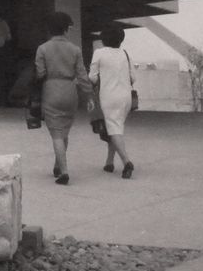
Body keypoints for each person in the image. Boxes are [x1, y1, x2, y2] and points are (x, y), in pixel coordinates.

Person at [33, 11, 93, 185]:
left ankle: (64, 172)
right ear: (66, 29)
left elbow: (40, 73)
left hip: (51, 90)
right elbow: (82, 75)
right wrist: (89, 95)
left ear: (49, 30)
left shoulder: (42, 48)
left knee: (56, 134)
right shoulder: (75, 50)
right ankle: (58, 165)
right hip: (70, 91)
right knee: (64, 132)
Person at [89, 24, 136, 179]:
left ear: (103, 39)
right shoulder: (125, 53)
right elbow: (133, 78)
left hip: (108, 97)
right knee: (116, 128)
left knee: (114, 129)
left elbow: (92, 77)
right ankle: (109, 162)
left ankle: (126, 161)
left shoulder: (99, 53)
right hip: (126, 97)